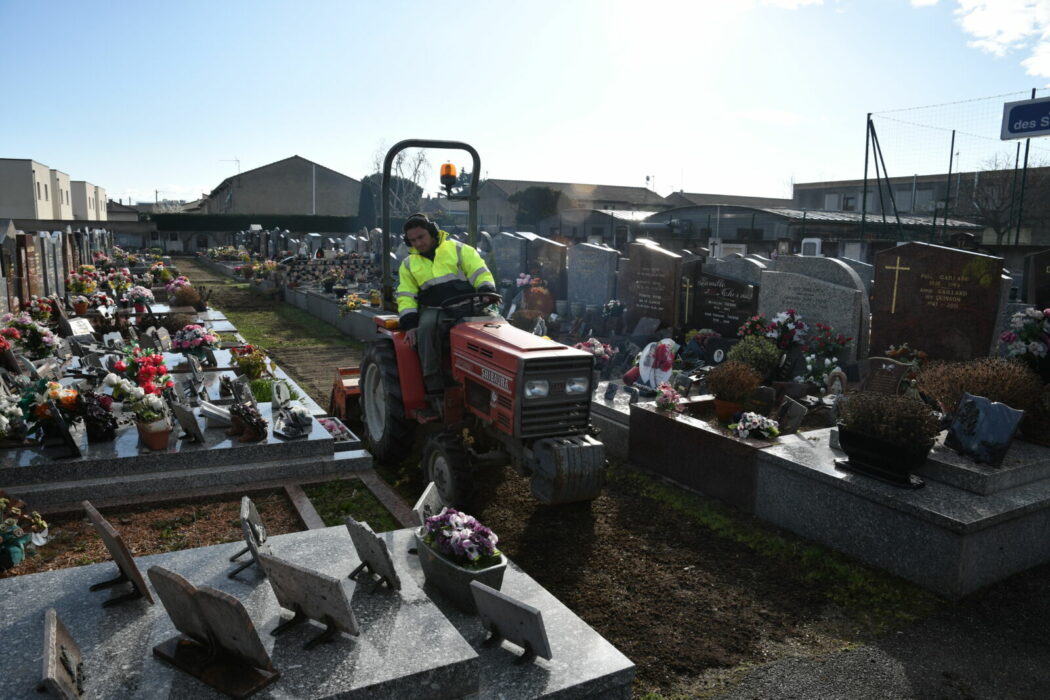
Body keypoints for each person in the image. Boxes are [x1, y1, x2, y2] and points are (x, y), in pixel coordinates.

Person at [396, 213, 497, 394]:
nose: (418, 243)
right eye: (413, 240)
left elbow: (479, 271)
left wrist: (486, 289)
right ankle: (433, 383)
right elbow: (406, 296)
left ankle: (492, 375)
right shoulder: (408, 264)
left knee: (496, 326)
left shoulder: (459, 249)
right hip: (435, 309)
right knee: (426, 329)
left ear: (432, 232)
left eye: (421, 237)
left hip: (468, 304)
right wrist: (410, 325)